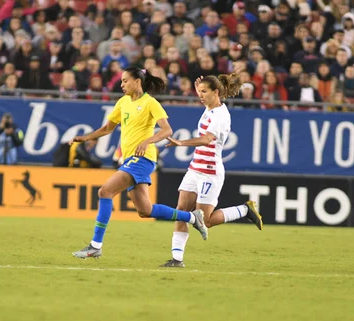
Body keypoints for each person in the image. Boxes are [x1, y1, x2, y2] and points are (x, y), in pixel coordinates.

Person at [69, 67, 208, 259]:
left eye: (125, 80)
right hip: (130, 159)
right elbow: (108, 128)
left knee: (105, 191)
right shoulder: (123, 102)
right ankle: (193, 217)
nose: (122, 84)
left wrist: (147, 140)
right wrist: (85, 138)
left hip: (142, 159)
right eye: (121, 81)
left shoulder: (150, 103)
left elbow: (167, 130)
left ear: (137, 82)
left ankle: (95, 245)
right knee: (145, 210)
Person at [159, 73, 263, 268]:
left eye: (204, 92)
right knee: (181, 211)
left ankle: (244, 209)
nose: (201, 96)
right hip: (195, 168)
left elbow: (207, 139)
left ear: (216, 92)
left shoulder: (221, 115)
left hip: (209, 171)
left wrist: (181, 142)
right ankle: (177, 259)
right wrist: (199, 87)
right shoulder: (209, 108)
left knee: (205, 221)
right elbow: (206, 102)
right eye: (199, 92)